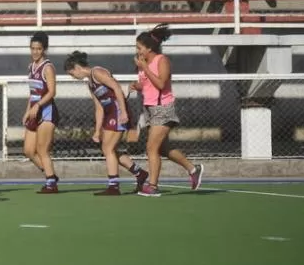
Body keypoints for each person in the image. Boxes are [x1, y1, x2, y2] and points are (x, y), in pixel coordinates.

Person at [131, 24, 203, 197]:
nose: (137, 51)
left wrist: (145, 68)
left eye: (139, 48)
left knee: (151, 148)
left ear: (149, 48)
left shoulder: (161, 60)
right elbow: (148, 85)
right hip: (150, 109)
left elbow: (161, 84)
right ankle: (193, 169)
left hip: (163, 109)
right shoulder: (143, 63)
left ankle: (153, 186)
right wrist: (137, 86)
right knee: (162, 149)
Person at [64, 51, 149, 195]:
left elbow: (116, 88)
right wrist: (97, 131)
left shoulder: (97, 72)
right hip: (109, 114)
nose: (73, 77)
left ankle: (113, 186)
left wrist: (123, 111)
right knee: (109, 149)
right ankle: (139, 173)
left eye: (72, 73)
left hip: (117, 111)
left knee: (108, 149)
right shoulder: (90, 84)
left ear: (78, 67)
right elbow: (99, 108)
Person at [24, 32, 59, 194]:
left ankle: (51, 183)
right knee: (29, 151)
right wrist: (27, 110)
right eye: (32, 48)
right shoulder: (31, 67)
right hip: (34, 111)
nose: (35, 52)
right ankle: (50, 175)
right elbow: (32, 92)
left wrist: (38, 105)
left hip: (46, 112)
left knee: (42, 150)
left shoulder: (48, 67)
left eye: (38, 49)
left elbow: (52, 92)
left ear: (44, 49)